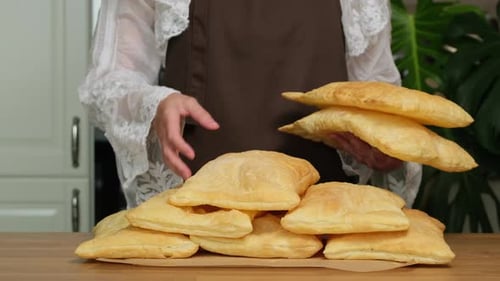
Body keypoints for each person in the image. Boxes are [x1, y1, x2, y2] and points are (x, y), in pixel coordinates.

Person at [79, 0, 422, 209]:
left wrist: (386, 149)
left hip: (324, 228)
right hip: (199, 219)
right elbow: (108, 81)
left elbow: (379, 99)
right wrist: (156, 105)